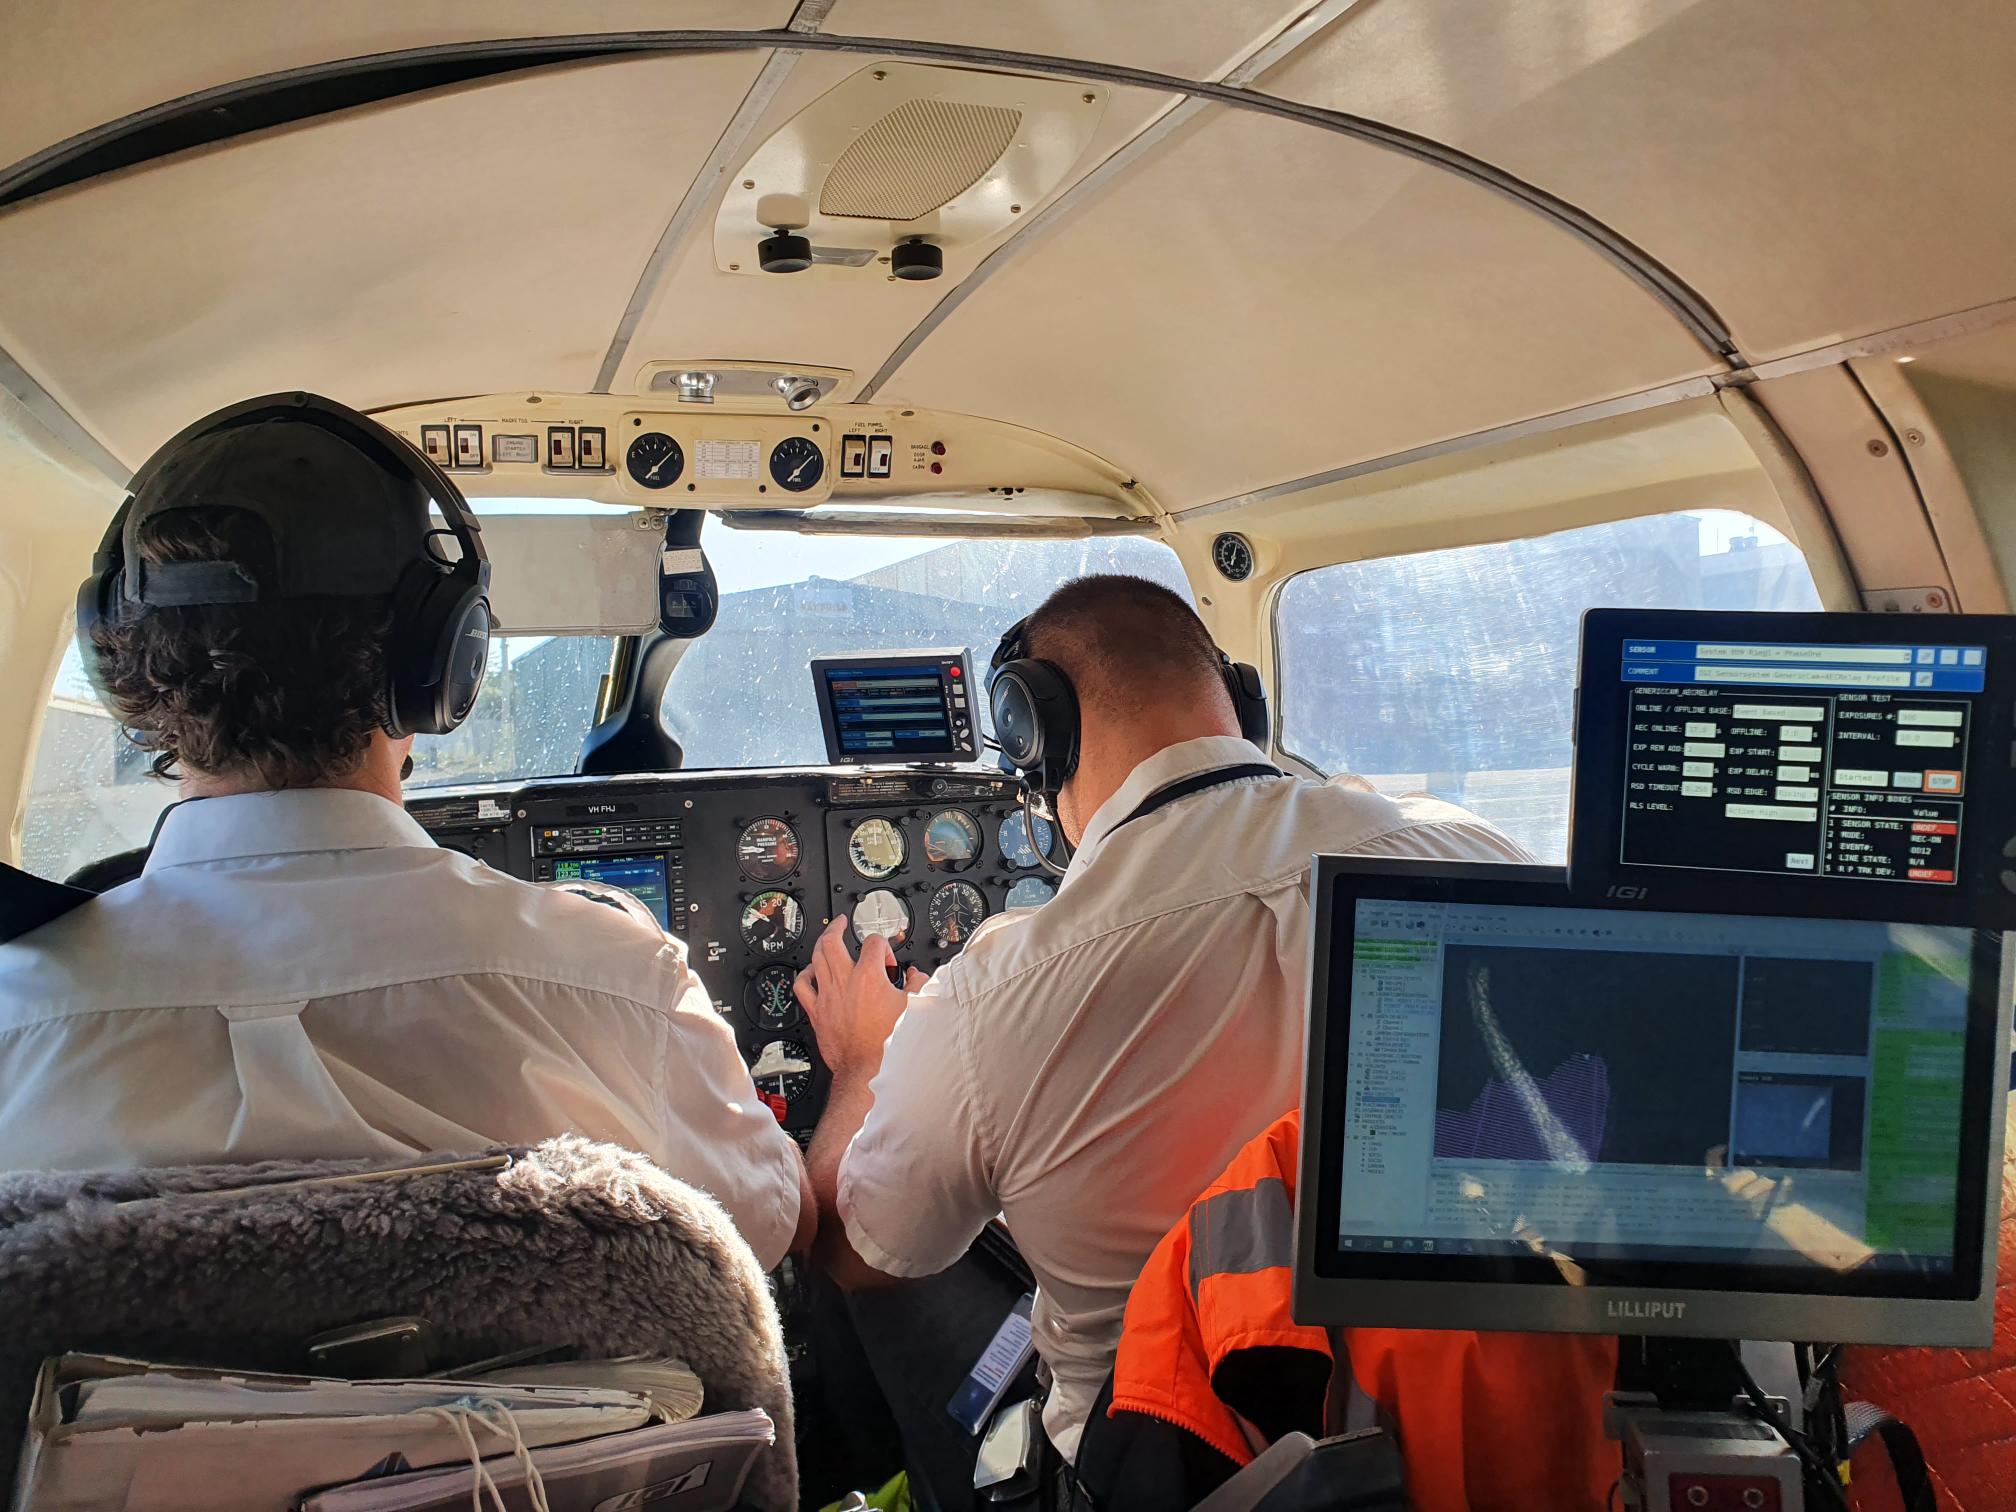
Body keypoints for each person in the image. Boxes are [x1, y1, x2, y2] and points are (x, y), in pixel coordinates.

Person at [0, 394, 813, 1270]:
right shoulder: (622, 983)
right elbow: (769, 1230)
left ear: (115, 659)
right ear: (445, 663)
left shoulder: (16, 1021)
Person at [796, 574, 1529, 1461]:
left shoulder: (996, 990)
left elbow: (856, 1252)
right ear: (1239, 705)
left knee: (866, 1238)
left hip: (1173, 1459)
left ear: (1038, 734)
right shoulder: (1479, 854)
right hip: (1461, 1425)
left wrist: (863, 1062)